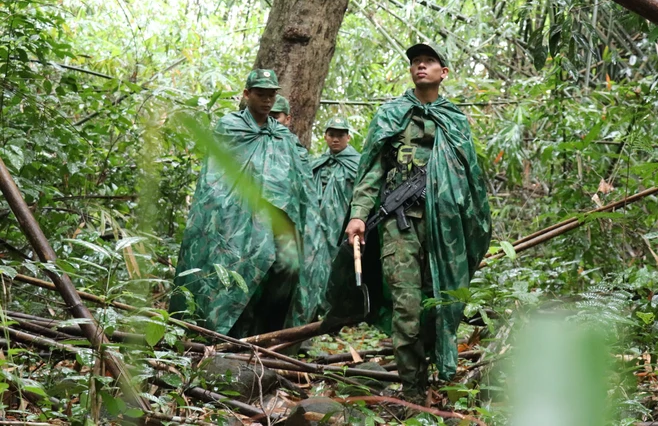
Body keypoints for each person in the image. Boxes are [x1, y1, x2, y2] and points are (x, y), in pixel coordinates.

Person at [341, 43, 492, 401]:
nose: (421, 66)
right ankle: (412, 392)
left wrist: (472, 227)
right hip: (399, 223)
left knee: (439, 302)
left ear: (443, 72)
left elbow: (470, 179)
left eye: (429, 61)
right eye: (415, 62)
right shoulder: (391, 115)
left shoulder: (454, 120)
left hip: (445, 228)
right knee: (406, 306)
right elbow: (372, 170)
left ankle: (437, 376)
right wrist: (358, 214)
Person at [170, 69, 325, 337]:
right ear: (247, 94)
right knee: (239, 268)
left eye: (271, 95)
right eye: (261, 94)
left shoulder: (282, 136)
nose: (267, 100)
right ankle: (230, 334)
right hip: (235, 217)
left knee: (287, 267)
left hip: (278, 218)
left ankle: (267, 333)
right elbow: (214, 178)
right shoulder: (230, 127)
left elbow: (300, 181)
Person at [311, 117, 361, 311]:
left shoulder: (357, 163)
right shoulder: (318, 163)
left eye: (340, 135)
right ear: (325, 137)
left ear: (348, 137)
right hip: (316, 225)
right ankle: (314, 308)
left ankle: (338, 310)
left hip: (343, 226)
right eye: (331, 135)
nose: (335, 139)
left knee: (340, 266)